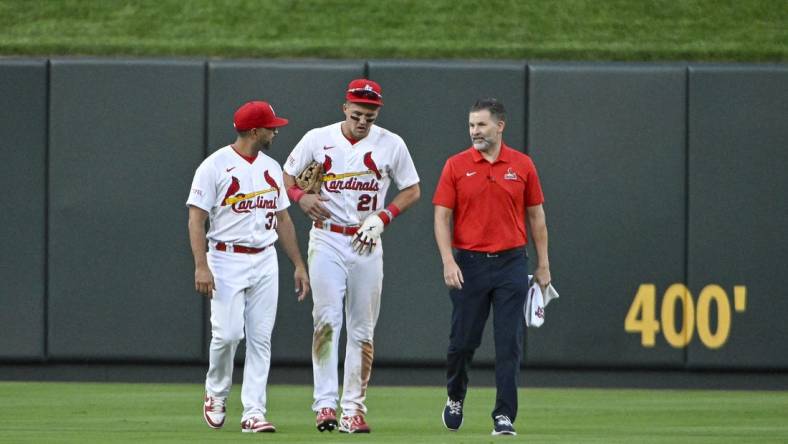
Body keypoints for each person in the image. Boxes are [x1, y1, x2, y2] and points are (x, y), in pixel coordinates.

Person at [282, 79, 421, 434]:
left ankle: (353, 410)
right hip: (327, 239)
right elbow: (286, 176)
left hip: (365, 239)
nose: (362, 122)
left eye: (370, 116)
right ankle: (325, 405)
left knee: (362, 328)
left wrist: (383, 216)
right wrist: (300, 197)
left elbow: (413, 189)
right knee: (326, 321)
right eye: (357, 114)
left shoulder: (391, 144)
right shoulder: (318, 138)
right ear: (345, 107)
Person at [186, 100, 310, 433]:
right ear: (254, 131)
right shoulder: (214, 166)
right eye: (271, 127)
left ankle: (254, 411)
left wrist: (298, 263)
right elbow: (196, 219)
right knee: (227, 335)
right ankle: (216, 393)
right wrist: (201, 265)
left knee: (260, 338)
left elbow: (282, 218)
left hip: (265, 256)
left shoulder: (271, 167)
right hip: (225, 257)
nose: (276, 131)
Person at [433, 98, 551, 436]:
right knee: (463, 341)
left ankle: (504, 415)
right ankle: (455, 396)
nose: (475, 131)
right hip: (468, 263)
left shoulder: (522, 165)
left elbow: (536, 216)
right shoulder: (456, 165)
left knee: (509, 343)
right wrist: (447, 260)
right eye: (471, 125)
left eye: (481, 124)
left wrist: (543, 265)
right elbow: (441, 216)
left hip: (512, 262)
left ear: (500, 126)